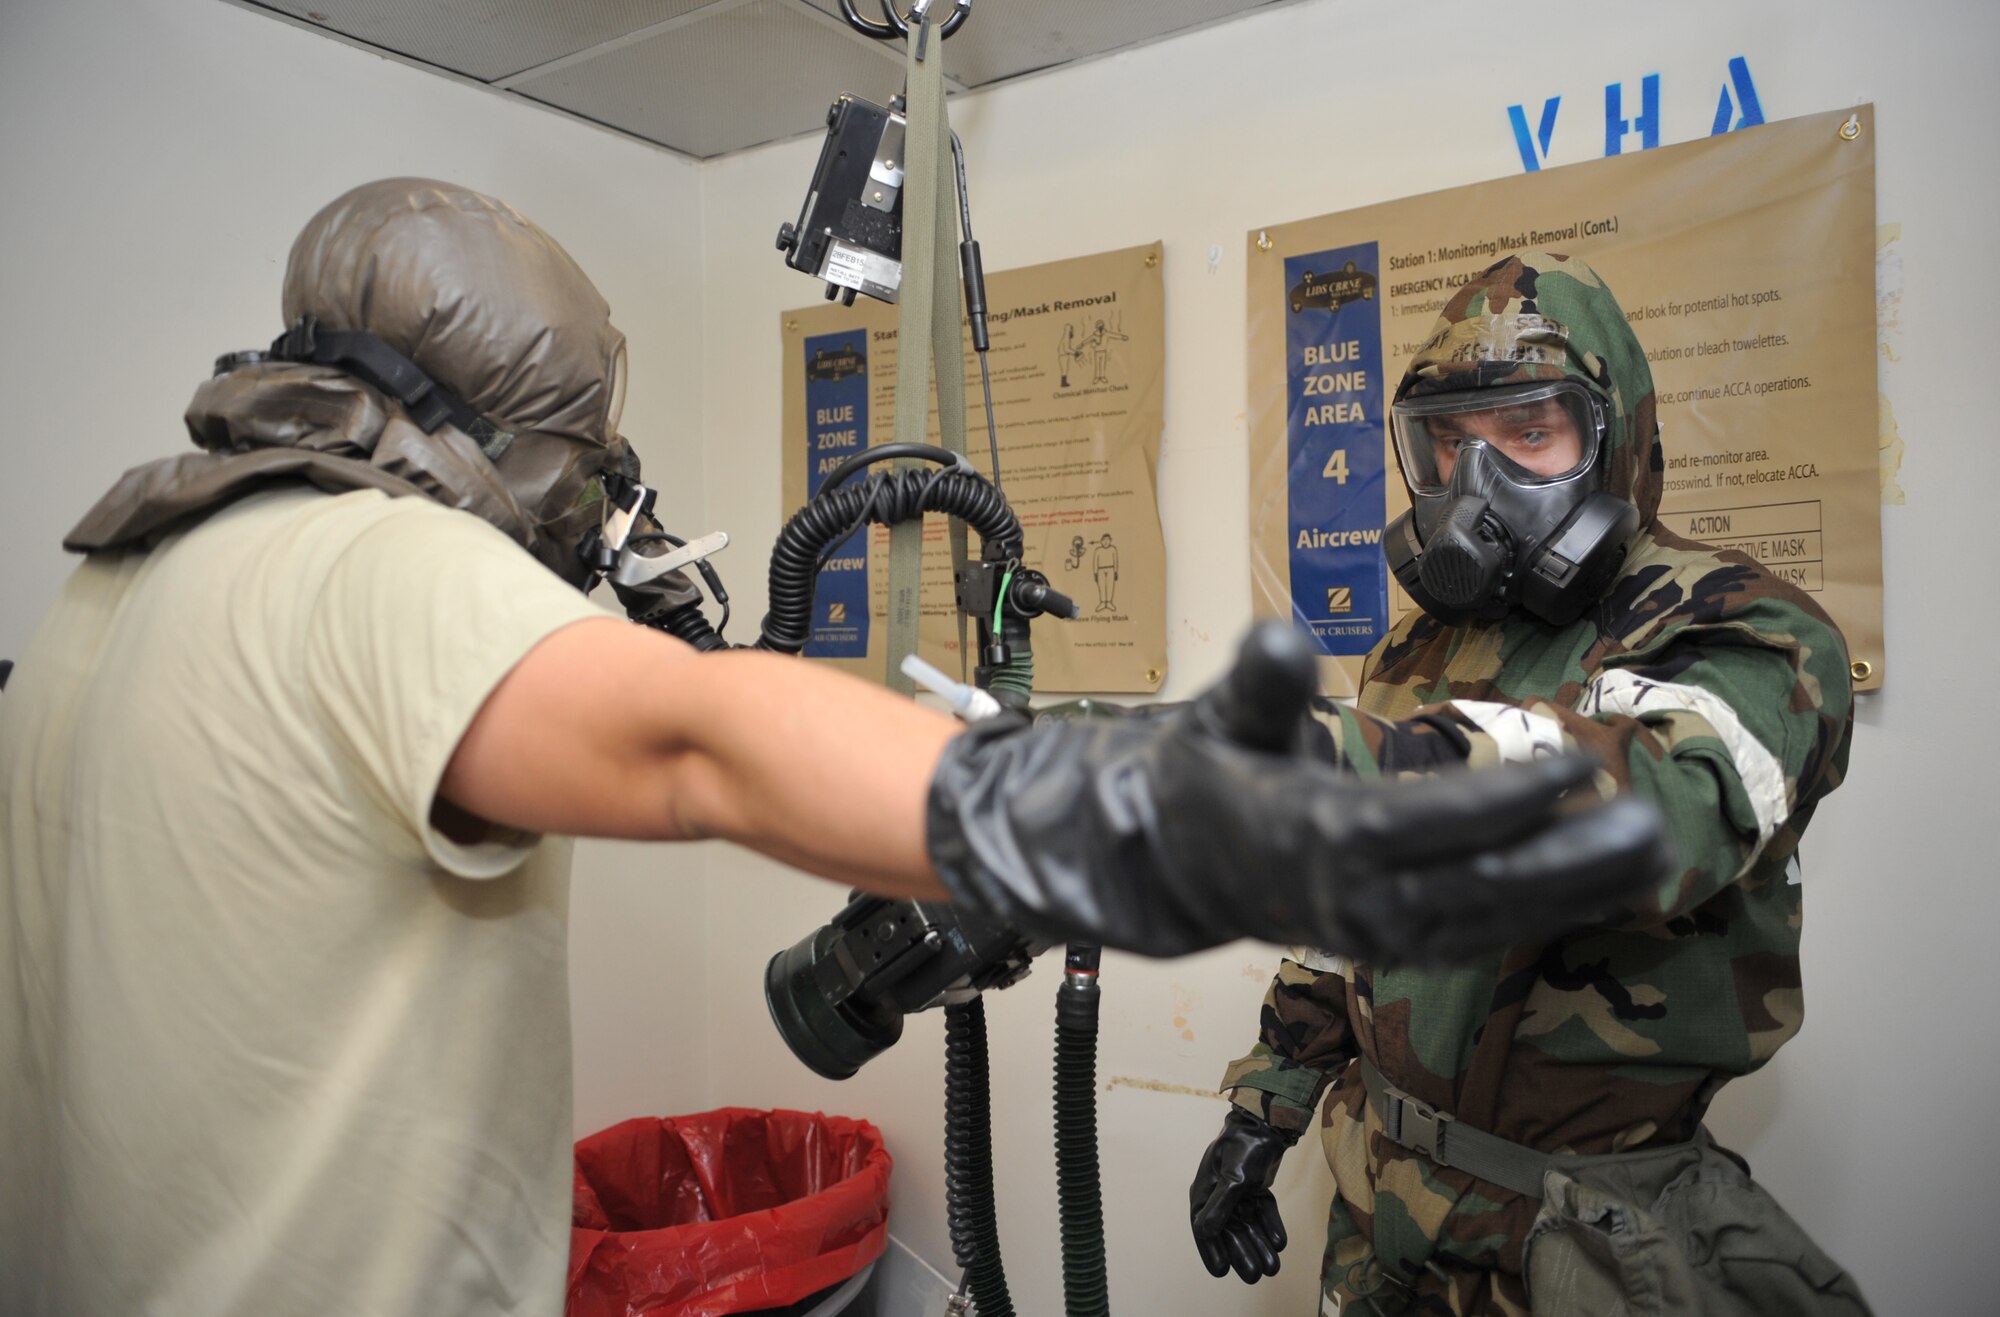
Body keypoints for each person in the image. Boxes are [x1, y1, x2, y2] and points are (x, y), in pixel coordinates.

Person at [0, 184, 1667, 1317]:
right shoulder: (379, 566)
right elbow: (705, 746)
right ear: (490, 443)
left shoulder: (113, 588)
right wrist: (1067, 808)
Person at [1188, 251, 1871, 1314]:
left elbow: (1666, 820)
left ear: (1613, 444)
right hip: (1383, 1211)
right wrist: (1264, 1104)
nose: (1477, 488)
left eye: (1527, 437)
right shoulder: (1414, 651)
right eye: (1450, 444)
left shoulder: (1741, 629)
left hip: (1582, 1233)